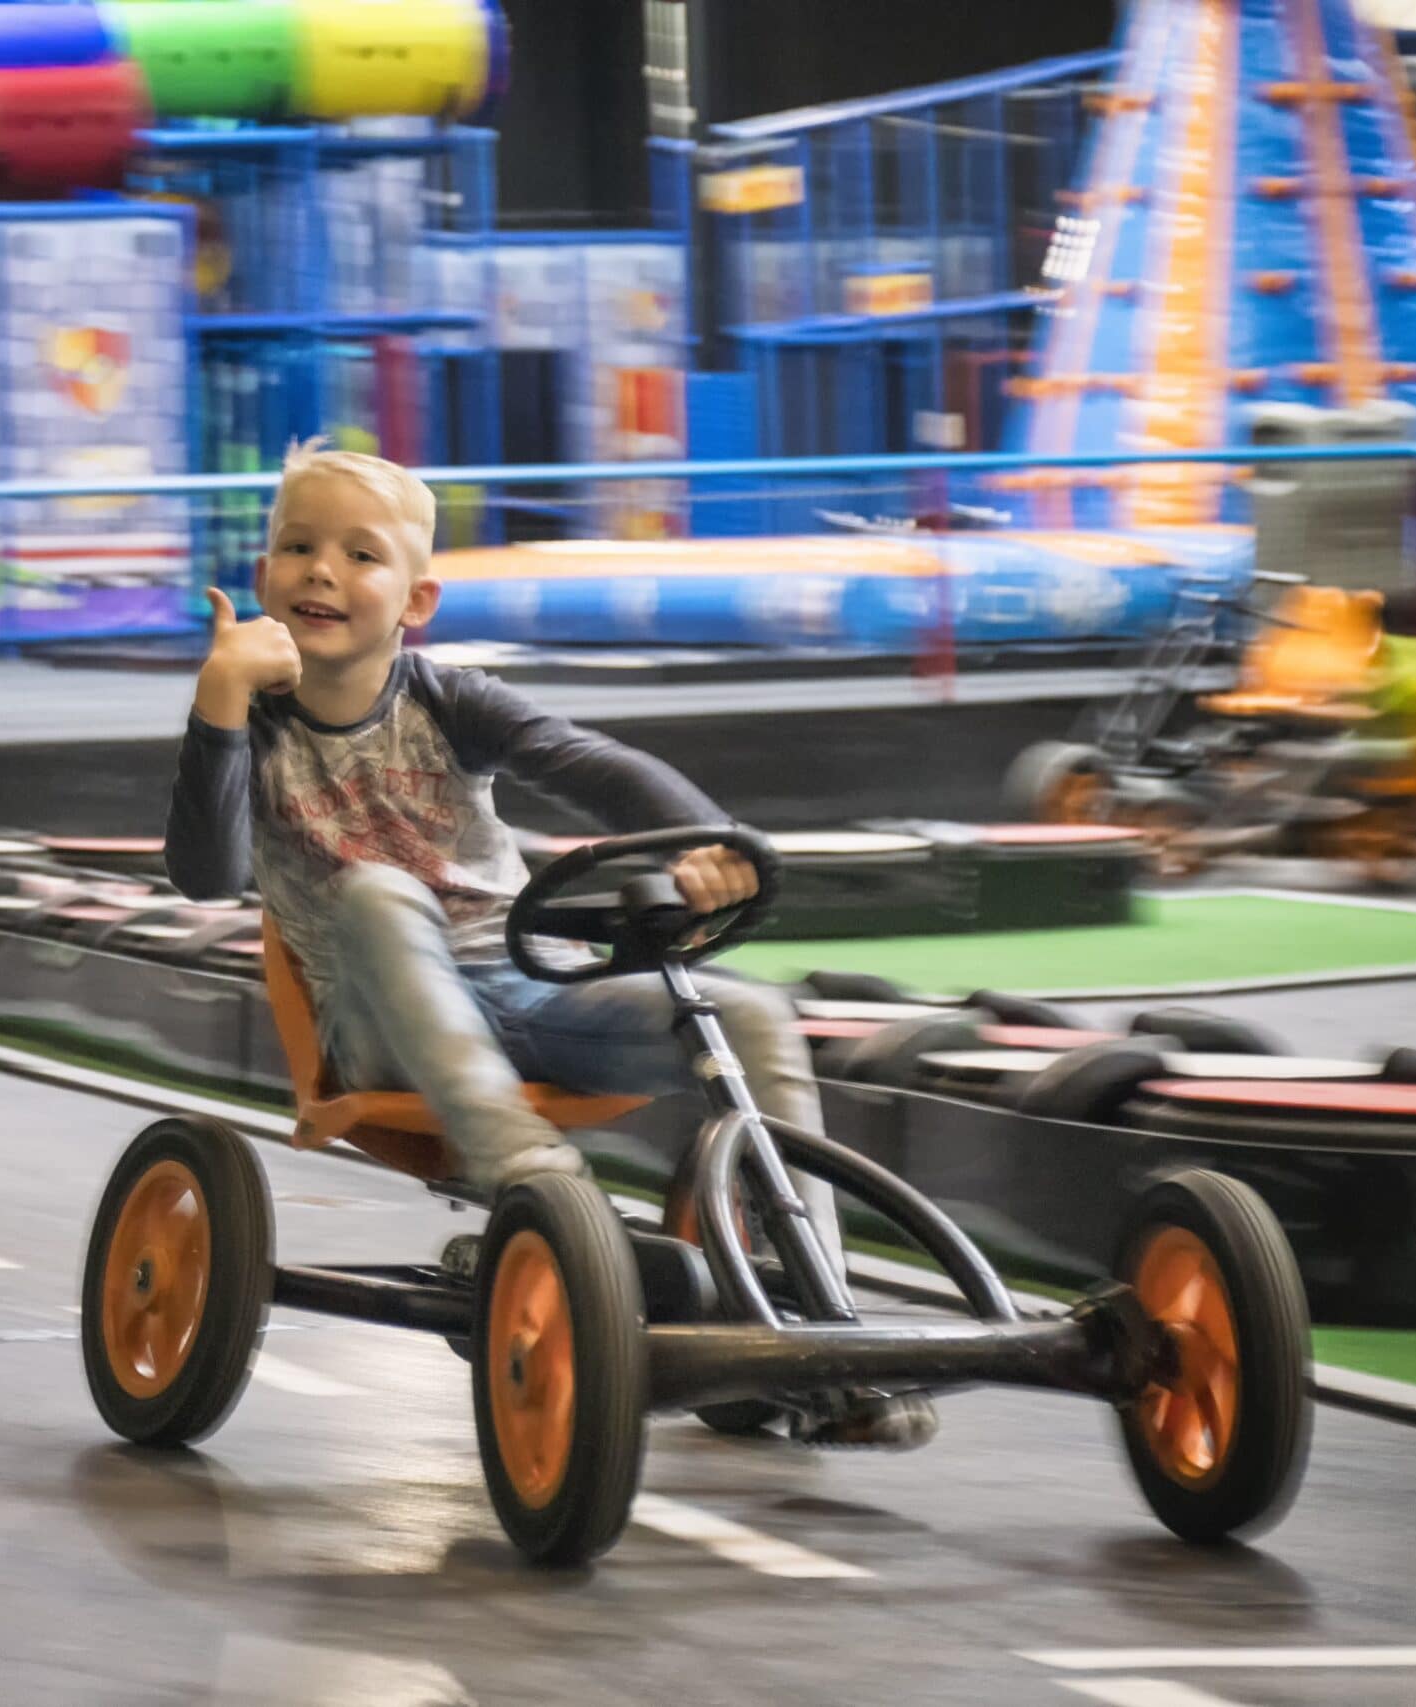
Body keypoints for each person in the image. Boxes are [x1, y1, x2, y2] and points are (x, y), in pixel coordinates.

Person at [165, 440, 934, 1448]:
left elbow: (589, 764)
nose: (322, 571)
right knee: (380, 891)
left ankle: (816, 1322)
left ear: (414, 601)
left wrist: (707, 835)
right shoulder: (255, 727)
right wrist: (217, 702)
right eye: (298, 548)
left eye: (360, 556)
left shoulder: (451, 700)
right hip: (376, 1020)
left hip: (524, 994)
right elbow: (206, 875)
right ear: (264, 579)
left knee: (748, 1014)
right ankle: (534, 1180)